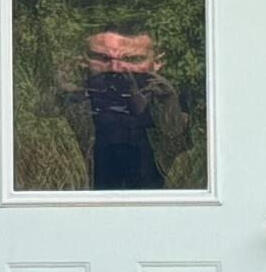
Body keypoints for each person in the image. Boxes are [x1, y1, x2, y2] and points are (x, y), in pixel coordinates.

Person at [72, 22, 191, 190]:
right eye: (102, 58)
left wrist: (168, 100)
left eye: (133, 59)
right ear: (83, 60)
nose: (116, 69)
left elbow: (181, 148)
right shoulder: (74, 94)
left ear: (157, 61)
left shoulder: (170, 93)